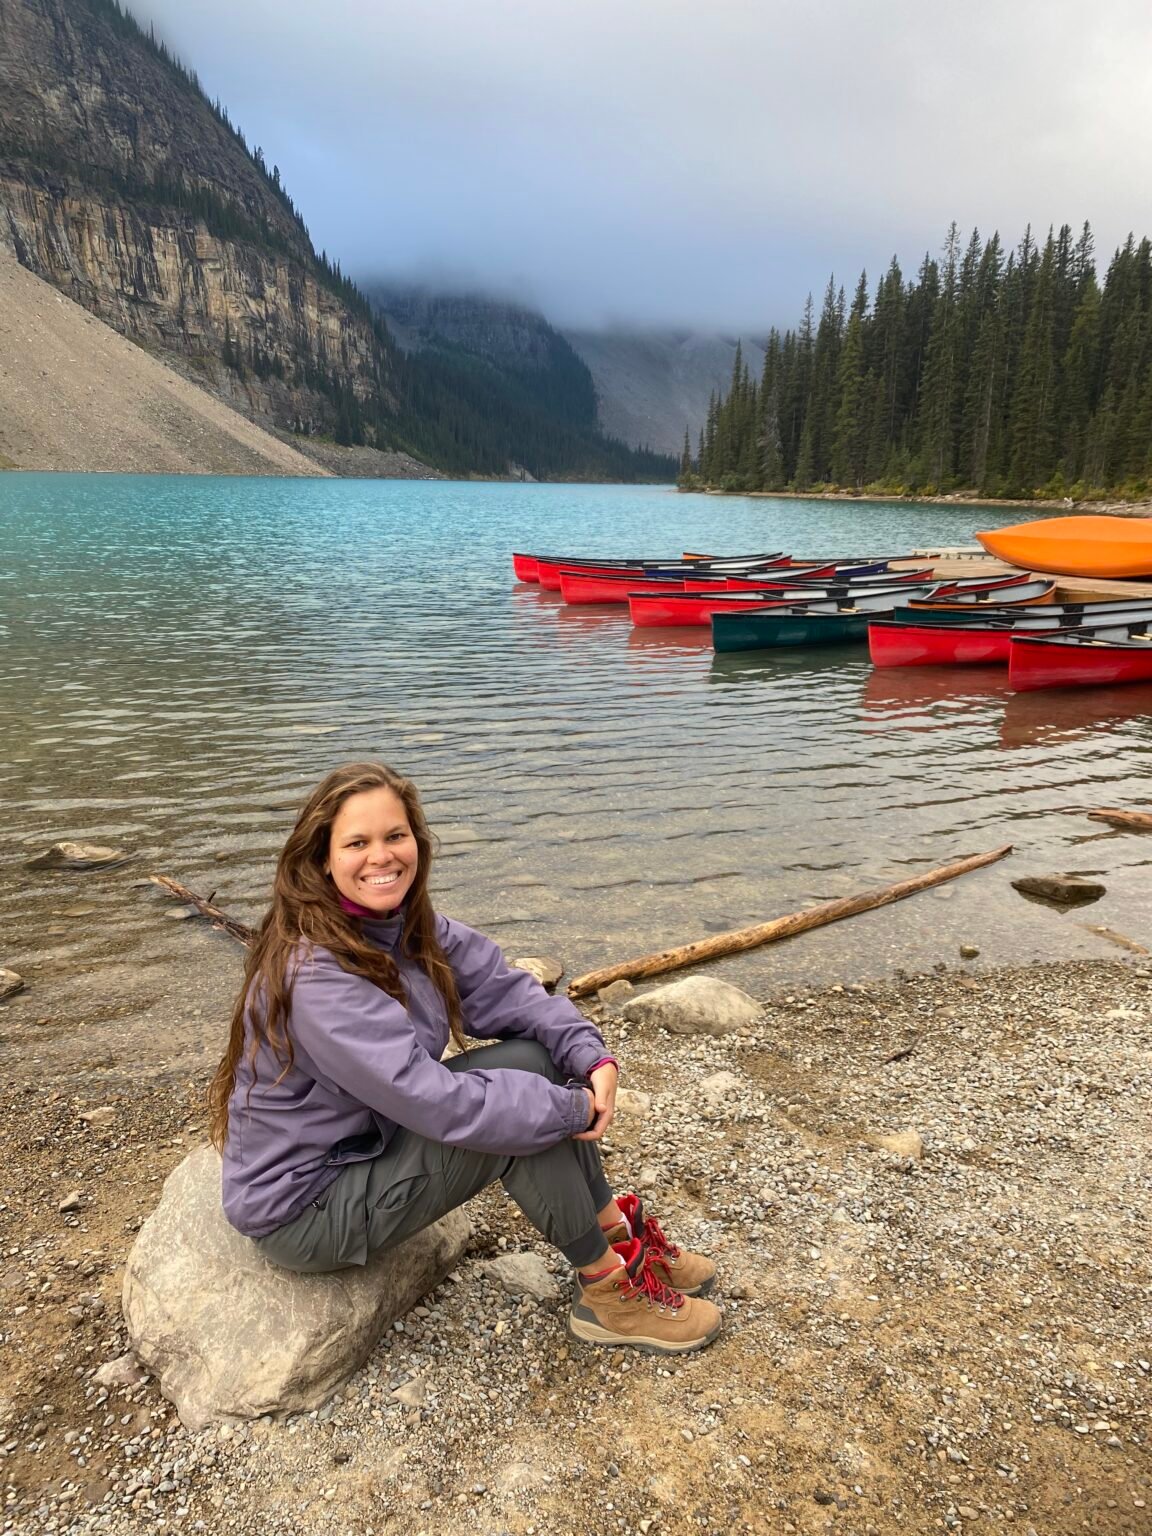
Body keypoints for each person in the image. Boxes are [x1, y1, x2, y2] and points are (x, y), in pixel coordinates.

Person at [208, 762, 722, 1355]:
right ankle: (606, 1292)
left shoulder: (403, 928)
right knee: (514, 1121)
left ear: (417, 844)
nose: (382, 856)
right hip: (307, 1206)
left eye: (395, 836)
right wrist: (566, 1109)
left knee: (533, 1059)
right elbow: (435, 1101)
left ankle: (618, 1239)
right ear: (323, 858)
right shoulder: (316, 975)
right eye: (357, 842)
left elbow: (506, 989)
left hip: (367, 1144)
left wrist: (589, 1055)